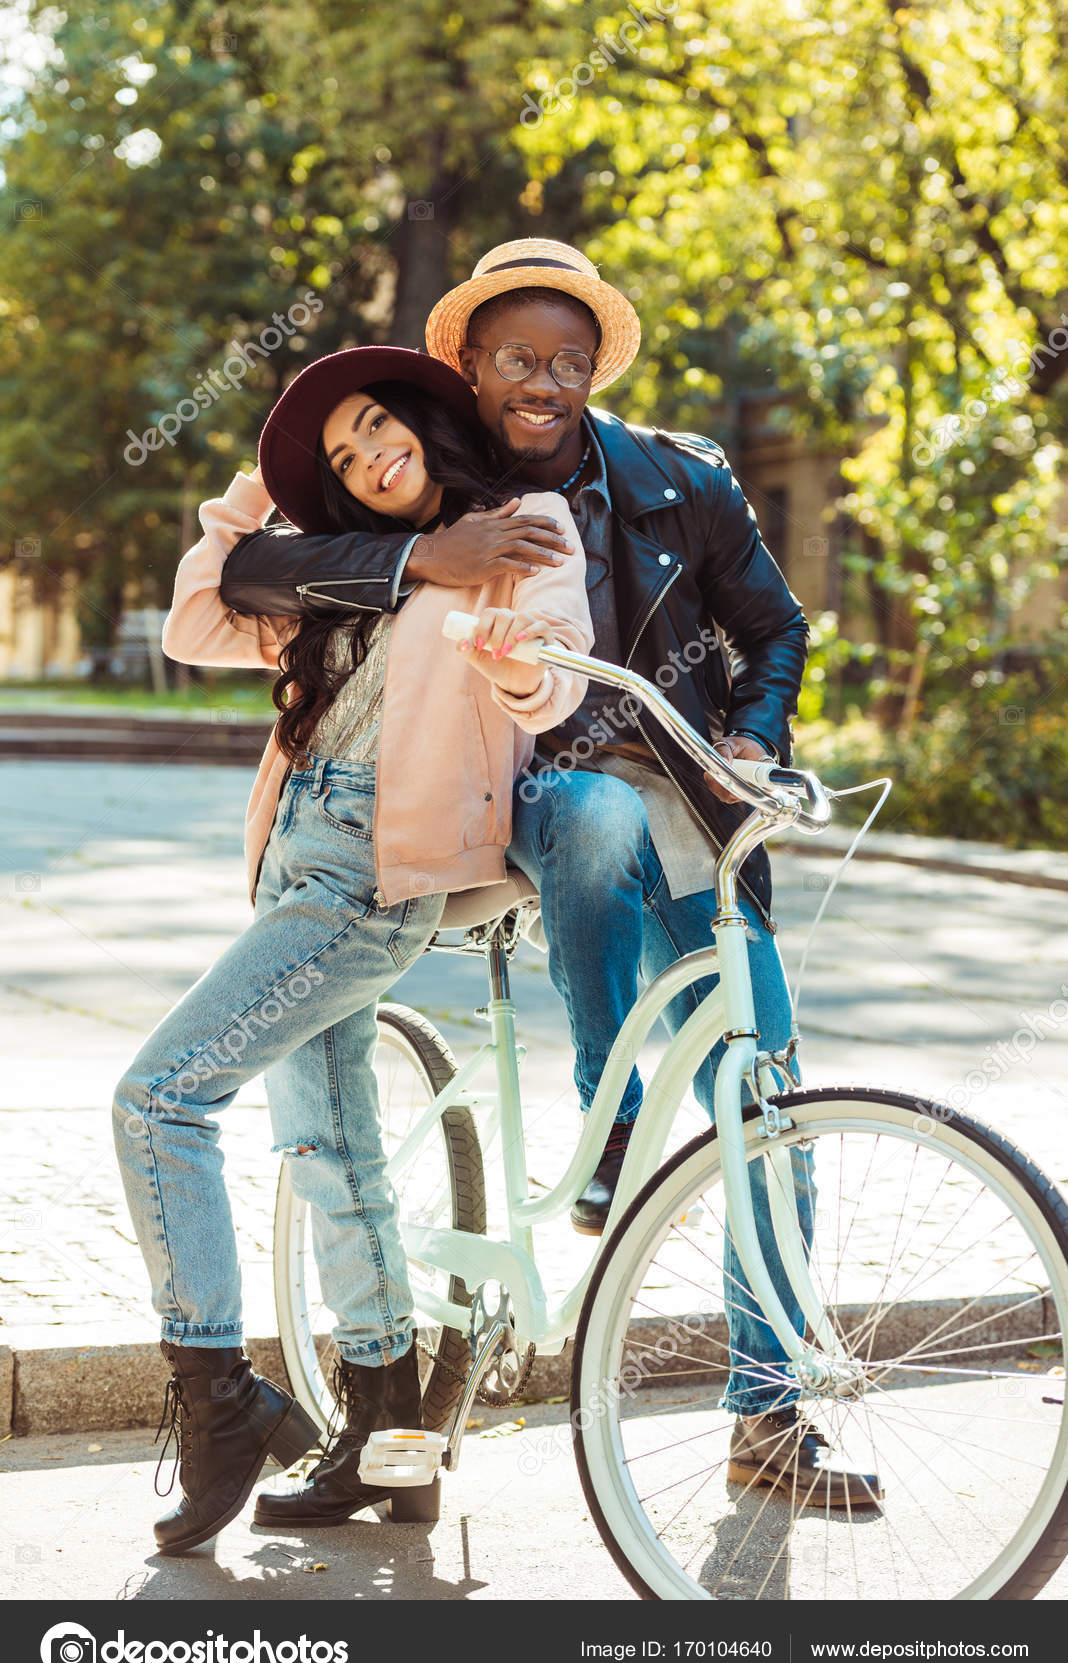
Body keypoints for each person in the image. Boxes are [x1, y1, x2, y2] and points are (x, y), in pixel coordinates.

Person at [219, 241, 881, 1505]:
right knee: (583, 810)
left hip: (685, 794)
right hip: (515, 794)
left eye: (568, 360)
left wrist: (755, 736)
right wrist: (416, 560)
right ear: (467, 368)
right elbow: (249, 569)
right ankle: (607, 1105)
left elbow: (774, 626)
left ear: (594, 370)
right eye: (517, 358)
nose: (545, 380)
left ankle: (770, 1410)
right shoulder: (421, 474)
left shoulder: (683, 479)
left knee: (766, 1100)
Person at [112, 345, 593, 1553]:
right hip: (298, 859)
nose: (370, 456)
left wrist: (517, 664)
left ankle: (223, 1399)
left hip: (370, 880)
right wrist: (270, 474)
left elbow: (552, 681)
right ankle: (388, 1439)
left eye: (379, 427)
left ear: (428, 422)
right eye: (341, 460)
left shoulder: (522, 523)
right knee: (332, 1147)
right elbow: (192, 616)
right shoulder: (339, 576)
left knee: (160, 1096)